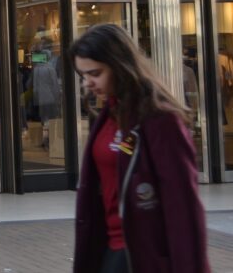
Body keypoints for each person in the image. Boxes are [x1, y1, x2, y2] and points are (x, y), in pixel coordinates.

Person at [71, 24, 209, 273]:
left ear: (120, 65)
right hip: (107, 247)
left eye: (95, 73)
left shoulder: (160, 119)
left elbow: (183, 206)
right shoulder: (109, 113)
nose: (87, 83)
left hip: (140, 254)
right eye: (83, 76)